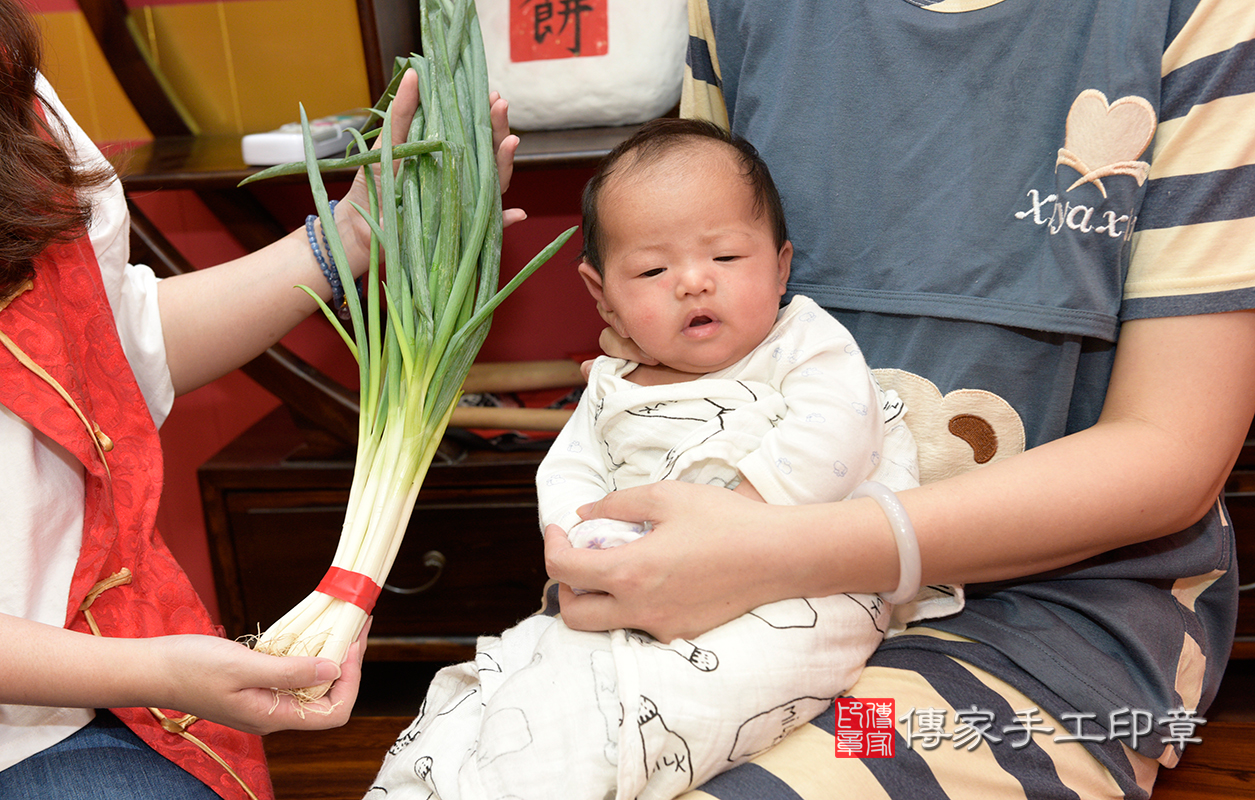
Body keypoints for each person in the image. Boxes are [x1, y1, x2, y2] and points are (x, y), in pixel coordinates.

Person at [542, 1, 1255, 798]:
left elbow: (1171, 449)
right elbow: (691, 303)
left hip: (1043, 618)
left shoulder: (1192, 16)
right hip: (729, 598)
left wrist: (765, 552)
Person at [0, 2, 521, 797]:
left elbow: (97, 355)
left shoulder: (18, 90)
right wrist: (157, 671)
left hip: (80, 665)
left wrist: (353, 233)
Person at [368, 119, 931, 800]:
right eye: (652, 269)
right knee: (502, 687)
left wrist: (743, 521)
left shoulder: (803, 342)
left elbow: (837, 432)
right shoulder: (611, 384)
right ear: (601, 292)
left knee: (620, 712)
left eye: (724, 258)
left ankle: (566, 762)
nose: (692, 282)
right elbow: (570, 467)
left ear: (780, 265)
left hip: (791, 587)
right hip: (634, 583)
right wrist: (579, 539)